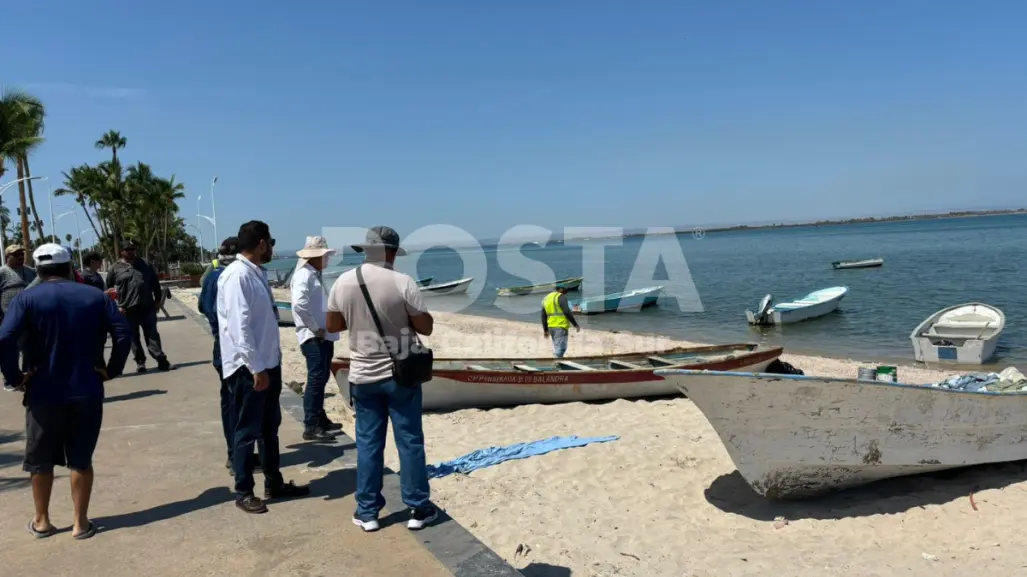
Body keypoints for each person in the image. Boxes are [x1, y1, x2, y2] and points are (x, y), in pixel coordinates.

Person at [0, 243, 132, 540]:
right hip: (86, 388)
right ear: (70, 267)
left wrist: (15, 377)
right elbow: (123, 333)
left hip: (42, 392)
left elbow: (4, 338)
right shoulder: (94, 297)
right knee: (81, 459)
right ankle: (80, 523)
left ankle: (42, 520)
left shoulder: (25, 299)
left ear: (38, 269)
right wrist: (111, 370)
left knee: (40, 460)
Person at [326, 226, 437, 532]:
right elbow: (426, 327)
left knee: (368, 445)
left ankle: (368, 512)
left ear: (366, 251)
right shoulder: (403, 282)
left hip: (362, 375)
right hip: (400, 375)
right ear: (390, 252)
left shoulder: (343, 281)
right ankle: (417, 509)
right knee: (410, 442)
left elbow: (333, 324)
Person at [218, 221, 309, 514]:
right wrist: (256, 367)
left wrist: (271, 363)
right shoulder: (237, 276)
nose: (271, 247)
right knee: (246, 430)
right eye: (270, 242)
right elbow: (238, 326)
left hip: (267, 364)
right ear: (260, 244)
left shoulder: (255, 273)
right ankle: (244, 491)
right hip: (250, 369)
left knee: (270, 428)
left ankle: (274, 482)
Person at [198, 237, 261, 474]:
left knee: (231, 402)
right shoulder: (229, 276)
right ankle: (237, 457)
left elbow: (203, 307)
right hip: (231, 348)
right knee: (236, 404)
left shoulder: (214, 275)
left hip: (222, 344)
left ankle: (236, 454)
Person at [291, 236, 343, 441]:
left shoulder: (313, 275)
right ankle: (311, 424)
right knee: (315, 379)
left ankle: (319, 419)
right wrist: (315, 328)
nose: (327, 260)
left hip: (322, 334)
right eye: (324, 256)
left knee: (320, 378)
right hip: (314, 336)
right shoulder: (304, 276)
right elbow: (299, 305)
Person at [106, 242, 173, 373]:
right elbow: (108, 289)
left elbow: (155, 283)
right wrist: (116, 307)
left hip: (147, 307)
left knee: (152, 335)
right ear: (122, 252)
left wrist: (158, 300)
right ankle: (140, 362)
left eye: (132, 249)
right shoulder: (115, 268)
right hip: (127, 309)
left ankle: (161, 361)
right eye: (127, 250)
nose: (130, 252)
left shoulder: (145, 264)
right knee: (133, 337)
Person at [1, 245, 36, 392]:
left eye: (22, 254)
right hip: (7, 318)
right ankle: (12, 379)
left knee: (29, 348)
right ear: (8, 257)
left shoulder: (30, 271)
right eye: (16, 255)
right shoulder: (2, 272)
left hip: (28, 319)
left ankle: (28, 377)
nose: (21, 257)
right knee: (9, 350)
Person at [541, 282, 580, 358]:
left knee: (557, 347)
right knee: (561, 348)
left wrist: (545, 329)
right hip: (561, 326)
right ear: (560, 289)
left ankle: (558, 364)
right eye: (565, 290)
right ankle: (555, 363)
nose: (566, 291)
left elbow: (543, 315)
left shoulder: (546, 298)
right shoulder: (560, 297)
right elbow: (567, 311)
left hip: (551, 326)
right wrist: (575, 324)